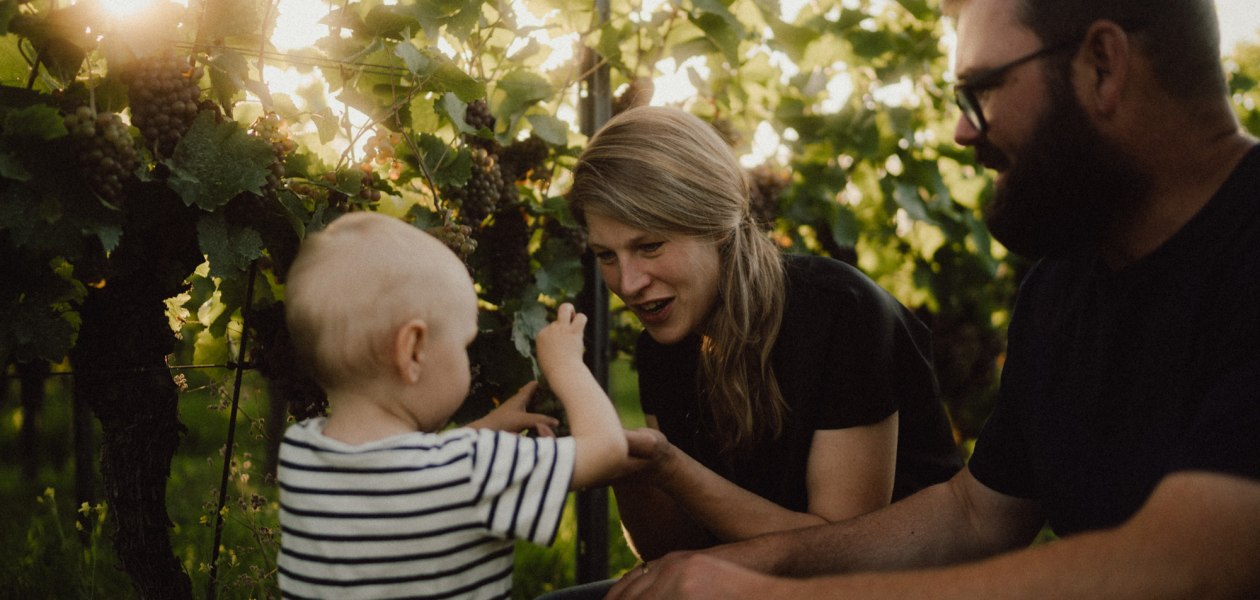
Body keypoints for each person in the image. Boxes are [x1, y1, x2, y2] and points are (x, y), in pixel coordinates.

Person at [605, 0, 1260, 598]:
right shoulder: (1062, 287)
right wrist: (757, 563)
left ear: (1103, 65)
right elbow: (976, 514)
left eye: (979, 91)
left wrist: (776, 596)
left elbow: (1188, 565)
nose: (961, 133)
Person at [544, 105, 962, 597]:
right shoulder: (662, 340)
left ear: (716, 226)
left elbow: (840, 559)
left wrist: (673, 468)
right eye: (606, 256)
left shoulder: (840, 313)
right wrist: (628, 469)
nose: (629, 283)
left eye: (650, 246)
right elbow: (671, 552)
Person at [274, 211, 631, 599]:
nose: (467, 356)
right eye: (464, 344)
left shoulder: (299, 453)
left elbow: (407, 465)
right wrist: (566, 366)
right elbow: (609, 450)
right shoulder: (476, 469)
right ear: (412, 351)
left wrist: (488, 425)